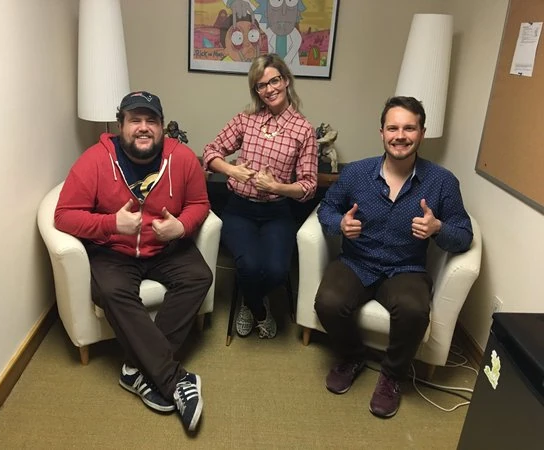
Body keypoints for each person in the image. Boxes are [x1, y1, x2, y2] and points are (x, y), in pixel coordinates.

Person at [54, 91, 212, 432]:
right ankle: (172, 379)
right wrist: (112, 224)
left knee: (199, 276)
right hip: (114, 250)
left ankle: (135, 369)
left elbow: (200, 203)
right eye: (135, 120)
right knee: (111, 291)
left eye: (151, 121)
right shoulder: (94, 161)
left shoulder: (182, 158)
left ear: (162, 126)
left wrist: (181, 227)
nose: (143, 127)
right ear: (120, 125)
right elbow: (64, 216)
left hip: (166, 247)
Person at [314, 96, 473, 418]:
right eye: (393, 128)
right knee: (328, 302)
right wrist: (340, 224)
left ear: (421, 133)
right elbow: (326, 208)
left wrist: (438, 228)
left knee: (414, 310)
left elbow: (464, 235)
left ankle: (392, 375)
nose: (400, 135)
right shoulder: (356, 173)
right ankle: (353, 356)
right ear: (382, 132)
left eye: (409, 128)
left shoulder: (442, 182)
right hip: (356, 261)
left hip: (406, 267)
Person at [203, 53, 317, 339]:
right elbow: (210, 152)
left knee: (277, 271)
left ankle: (250, 295)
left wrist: (277, 187)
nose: (269, 89)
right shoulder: (246, 119)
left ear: (286, 80)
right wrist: (232, 170)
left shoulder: (304, 130)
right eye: (261, 85)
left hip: (277, 212)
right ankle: (257, 308)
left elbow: (309, 186)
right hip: (239, 209)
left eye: (274, 81)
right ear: (256, 90)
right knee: (250, 266)